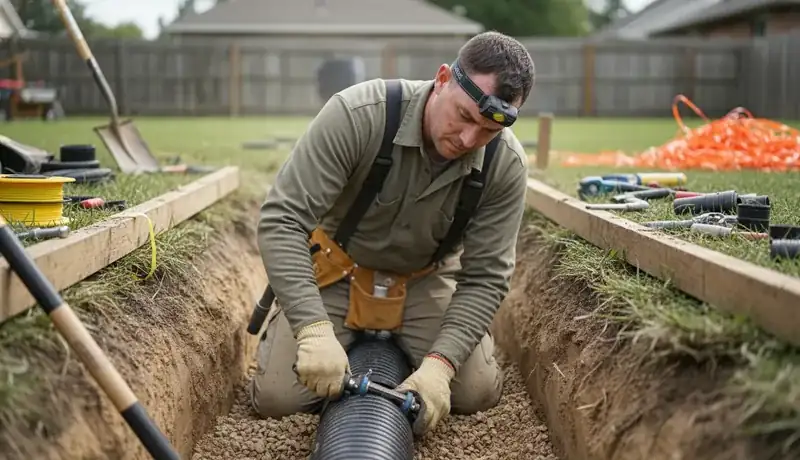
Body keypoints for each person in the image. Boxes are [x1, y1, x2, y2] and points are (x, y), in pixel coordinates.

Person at [249, 30, 535, 436]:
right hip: (337, 271)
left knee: (474, 392)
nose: (470, 139)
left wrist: (441, 365)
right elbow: (282, 219)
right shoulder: (358, 115)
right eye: (465, 116)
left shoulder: (504, 164)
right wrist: (312, 328)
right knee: (279, 399)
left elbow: (486, 276)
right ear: (441, 80)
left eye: (488, 131)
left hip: (424, 279)